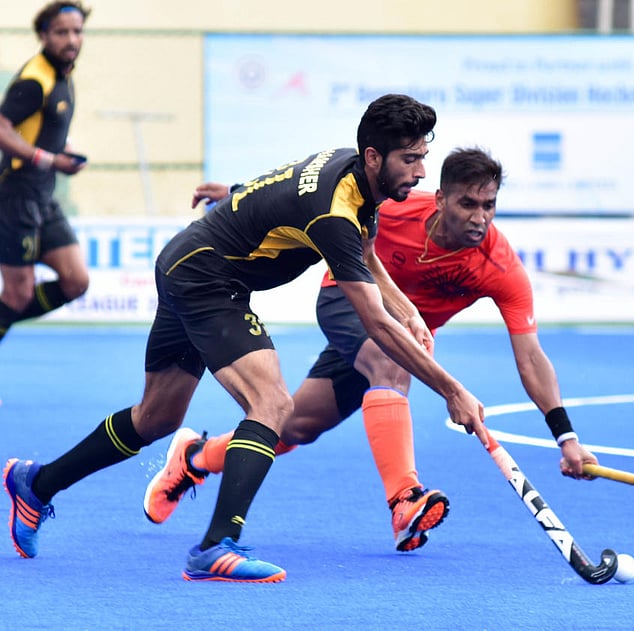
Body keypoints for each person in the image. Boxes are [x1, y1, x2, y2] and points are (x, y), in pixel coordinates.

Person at [3, 93, 489, 583]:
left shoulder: (353, 174)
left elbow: (349, 241)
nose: (422, 172)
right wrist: (452, 390)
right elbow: (375, 325)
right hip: (207, 281)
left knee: (155, 418)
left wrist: (406, 309)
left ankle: (35, 483)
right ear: (374, 157)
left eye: (423, 157)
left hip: (185, 264)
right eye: (411, 159)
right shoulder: (336, 211)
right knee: (272, 403)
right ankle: (216, 546)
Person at [144, 147, 598, 553]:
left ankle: (195, 458)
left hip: (401, 334)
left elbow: (532, 357)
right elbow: (315, 196)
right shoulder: (398, 209)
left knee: (295, 426)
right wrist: (241, 194)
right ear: (440, 199)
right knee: (390, 363)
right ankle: (405, 499)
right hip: (346, 298)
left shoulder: (499, 266)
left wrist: (567, 438)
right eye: (468, 203)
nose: (480, 217)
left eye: (489, 205)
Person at [0, 2, 91, 345]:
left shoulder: (64, 74)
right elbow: (2, 127)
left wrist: (62, 150)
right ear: (43, 35)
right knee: (17, 295)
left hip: (43, 196)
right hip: (15, 196)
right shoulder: (34, 79)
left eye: (77, 31)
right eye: (61, 32)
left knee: (76, 280)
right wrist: (48, 159)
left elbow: (43, 128)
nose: (71, 39)